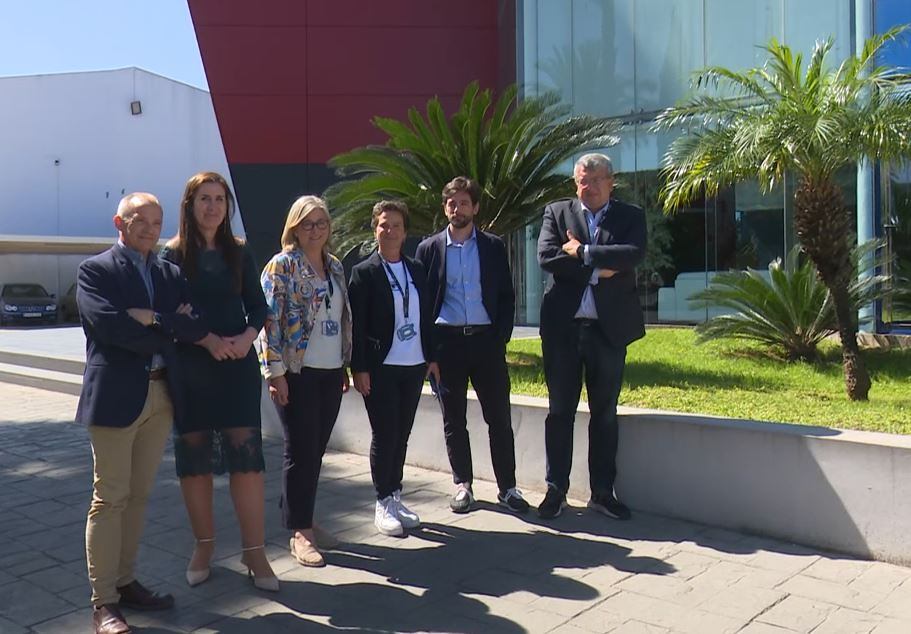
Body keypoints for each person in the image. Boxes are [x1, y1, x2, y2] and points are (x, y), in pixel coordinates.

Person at [76, 193, 209, 634]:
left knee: (138, 496)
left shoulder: (170, 272)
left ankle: (126, 581)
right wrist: (168, 325)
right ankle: (103, 602)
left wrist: (151, 318)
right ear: (120, 222)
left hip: (161, 395)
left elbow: (194, 325)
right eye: (141, 221)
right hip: (115, 398)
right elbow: (110, 329)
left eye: (157, 221)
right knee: (109, 497)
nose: (151, 229)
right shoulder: (96, 271)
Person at [160, 172, 278, 592]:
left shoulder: (239, 252)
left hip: (237, 367)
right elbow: (167, 314)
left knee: (247, 461)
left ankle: (254, 552)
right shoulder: (172, 255)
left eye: (219, 199)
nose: (212, 207)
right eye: (204, 199)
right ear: (189, 205)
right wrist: (208, 341)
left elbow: (258, 307)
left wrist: (246, 339)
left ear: (228, 207)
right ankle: (204, 547)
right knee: (195, 463)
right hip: (192, 368)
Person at [536, 153, 646, 521]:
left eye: (597, 179)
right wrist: (600, 269)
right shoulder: (557, 212)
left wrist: (582, 252)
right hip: (563, 331)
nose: (590, 186)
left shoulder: (631, 216)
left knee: (605, 414)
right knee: (560, 412)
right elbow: (547, 257)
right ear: (575, 182)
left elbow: (632, 254)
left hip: (608, 331)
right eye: (584, 180)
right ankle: (556, 489)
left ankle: (602, 491)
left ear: (611, 182)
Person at [414, 176, 528, 514]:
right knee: (454, 419)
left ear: (475, 207)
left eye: (464, 203)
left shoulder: (493, 246)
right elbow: (422, 304)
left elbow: (506, 296)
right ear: (444, 208)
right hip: (447, 345)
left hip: (486, 343)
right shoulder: (428, 249)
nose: (458, 209)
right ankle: (463, 485)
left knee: (499, 417)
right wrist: (429, 354)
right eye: (452, 203)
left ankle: (508, 488)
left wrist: (500, 337)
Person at [259, 195, 352, 567]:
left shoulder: (335, 266)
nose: (315, 230)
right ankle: (300, 533)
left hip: (331, 370)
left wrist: (344, 365)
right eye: (307, 224)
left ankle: (304, 516)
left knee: (315, 452)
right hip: (297, 372)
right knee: (300, 451)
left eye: (321, 223)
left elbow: (340, 319)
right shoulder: (281, 266)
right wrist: (274, 373)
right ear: (294, 228)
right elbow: (269, 323)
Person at [349, 200, 439, 536]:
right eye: (383, 225)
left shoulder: (416, 269)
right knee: (385, 433)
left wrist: (432, 357)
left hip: (413, 364)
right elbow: (357, 326)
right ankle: (382, 499)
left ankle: (395, 494)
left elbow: (426, 316)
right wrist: (359, 368)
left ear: (405, 232)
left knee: (402, 434)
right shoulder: (364, 273)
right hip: (381, 366)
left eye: (396, 226)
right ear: (375, 229)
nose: (390, 231)